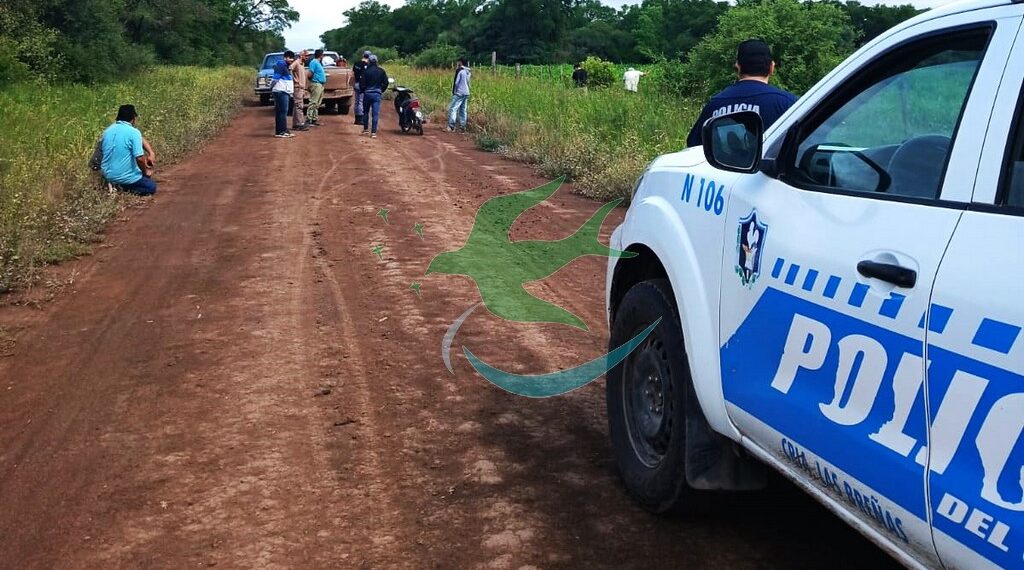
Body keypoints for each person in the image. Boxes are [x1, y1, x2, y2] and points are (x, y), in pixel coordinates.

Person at [686, 39, 798, 147]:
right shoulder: (788, 103)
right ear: (771, 68)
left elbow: (694, 146)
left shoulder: (715, 104)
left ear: (738, 67)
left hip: (724, 166)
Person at [98, 105, 158, 195]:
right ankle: (123, 189)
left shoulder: (107, 131)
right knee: (151, 186)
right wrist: (145, 172)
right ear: (133, 118)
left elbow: (139, 138)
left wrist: (151, 153)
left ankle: (112, 185)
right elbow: (139, 159)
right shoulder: (133, 132)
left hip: (107, 175)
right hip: (124, 177)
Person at [360, 54, 390, 138]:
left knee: (365, 112)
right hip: (377, 93)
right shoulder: (381, 71)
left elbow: (362, 84)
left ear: (369, 61)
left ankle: (366, 129)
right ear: (376, 61)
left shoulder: (365, 71)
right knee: (375, 114)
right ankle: (373, 133)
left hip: (367, 93)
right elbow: (386, 83)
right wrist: (381, 90)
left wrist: (363, 91)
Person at [271, 51, 296, 138]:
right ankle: (282, 131)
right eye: (290, 58)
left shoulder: (286, 66)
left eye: (292, 58)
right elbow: (275, 79)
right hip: (281, 91)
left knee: (280, 111)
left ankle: (281, 131)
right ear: (285, 57)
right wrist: (271, 88)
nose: (291, 60)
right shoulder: (281, 65)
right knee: (283, 112)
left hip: (283, 91)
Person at [447, 58, 471, 132]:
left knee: (453, 109)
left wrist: (455, 91)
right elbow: (468, 82)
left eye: (458, 62)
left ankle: (451, 126)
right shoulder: (468, 72)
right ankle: (462, 126)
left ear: (460, 62)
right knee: (463, 110)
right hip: (466, 92)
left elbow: (457, 83)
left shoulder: (460, 71)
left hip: (459, 92)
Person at [290, 49, 309, 132]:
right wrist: (294, 80)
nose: (307, 57)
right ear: (301, 55)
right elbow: (289, 68)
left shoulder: (302, 64)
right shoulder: (297, 63)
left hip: (301, 88)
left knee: (297, 106)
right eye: (306, 56)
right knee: (299, 106)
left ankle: (296, 124)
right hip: (297, 87)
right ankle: (300, 124)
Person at [307, 49, 327, 126]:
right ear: (321, 55)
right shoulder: (314, 62)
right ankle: (309, 119)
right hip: (316, 83)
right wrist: (313, 81)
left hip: (320, 84)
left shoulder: (318, 63)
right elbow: (310, 74)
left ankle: (314, 118)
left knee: (317, 103)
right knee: (313, 101)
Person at [352, 51, 370, 125]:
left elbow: (353, 74)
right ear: (369, 57)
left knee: (356, 101)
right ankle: (360, 119)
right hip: (362, 84)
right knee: (361, 101)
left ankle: (356, 118)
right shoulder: (366, 65)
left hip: (356, 83)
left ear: (363, 55)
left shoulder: (356, 63)